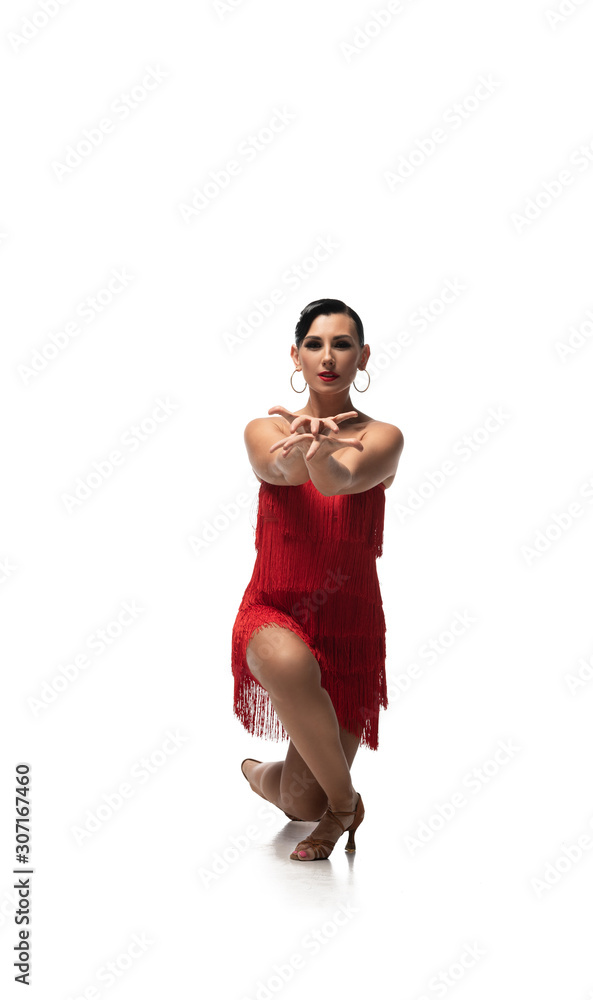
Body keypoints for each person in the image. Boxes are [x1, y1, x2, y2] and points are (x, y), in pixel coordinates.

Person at [230, 298, 404, 860]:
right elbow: (278, 469)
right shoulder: (266, 428)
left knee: (300, 802)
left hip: (349, 630)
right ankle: (346, 807)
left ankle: (263, 775)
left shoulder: (383, 437)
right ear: (296, 355)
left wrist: (325, 449)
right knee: (285, 659)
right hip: (273, 611)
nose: (327, 357)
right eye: (314, 344)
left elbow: (339, 482)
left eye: (342, 344)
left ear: (363, 356)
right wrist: (302, 445)